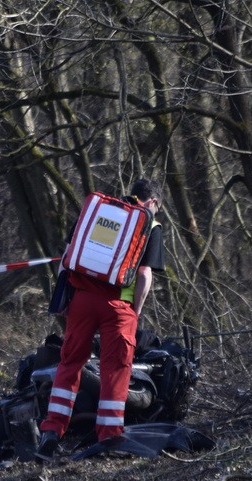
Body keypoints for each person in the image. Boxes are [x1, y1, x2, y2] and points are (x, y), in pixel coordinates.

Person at [36, 178, 166, 460]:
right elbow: (144, 275)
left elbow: (68, 257)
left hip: (81, 299)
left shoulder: (99, 213)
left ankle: (51, 431)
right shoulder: (150, 225)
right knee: (115, 369)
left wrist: (64, 298)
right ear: (153, 202)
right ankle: (109, 436)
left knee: (69, 363)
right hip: (119, 306)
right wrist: (136, 310)